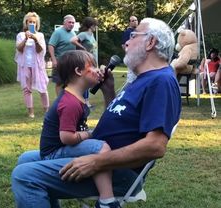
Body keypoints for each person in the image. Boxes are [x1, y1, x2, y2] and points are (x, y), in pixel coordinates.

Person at [11, 17, 181, 208]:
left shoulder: (161, 81)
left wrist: (97, 162)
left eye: (133, 36)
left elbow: (155, 146)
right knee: (24, 159)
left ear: (150, 42)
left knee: (24, 176)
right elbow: (121, 118)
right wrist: (109, 90)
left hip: (115, 171)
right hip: (100, 157)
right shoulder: (142, 79)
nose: (126, 41)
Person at [40, 50, 115, 205]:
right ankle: (107, 200)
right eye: (93, 66)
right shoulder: (70, 103)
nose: (97, 70)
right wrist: (88, 134)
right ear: (79, 71)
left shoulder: (75, 96)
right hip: (53, 153)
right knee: (101, 148)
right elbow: (66, 137)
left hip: (59, 148)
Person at [15, 12, 49, 118]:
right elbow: (19, 49)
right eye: (30, 22)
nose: (32, 24)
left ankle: (47, 110)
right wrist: (26, 39)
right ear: (26, 22)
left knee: (43, 87)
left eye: (34, 22)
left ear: (36, 23)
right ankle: (31, 111)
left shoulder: (40, 35)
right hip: (25, 65)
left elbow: (40, 51)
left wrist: (35, 40)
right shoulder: (20, 35)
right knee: (27, 89)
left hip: (37, 65)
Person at [71, 17, 98, 108]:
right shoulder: (83, 34)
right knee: (85, 79)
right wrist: (82, 48)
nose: (95, 27)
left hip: (91, 60)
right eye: (94, 25)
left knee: (89, 80)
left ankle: (86, 101)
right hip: (84, 60)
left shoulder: (91, 35)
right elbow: (72, 40)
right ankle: (84, 101)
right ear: (90, 25)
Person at [48, 14, 76, 96]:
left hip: (71, 62)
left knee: (70, 83)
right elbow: (51, 45)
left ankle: (67, 101)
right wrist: (54, 60)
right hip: (60, 62)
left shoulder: (73, 33)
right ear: (64, 23)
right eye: (69, 22)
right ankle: (59, 102)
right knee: (59, 83)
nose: (71, 24)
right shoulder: (58, 32)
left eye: (73, 23)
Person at [121, 16, 139, 85]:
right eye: (133, 21)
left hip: (139, 57)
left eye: (136, 20)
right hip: (132, 58)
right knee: (132, 77)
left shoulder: (139, 32)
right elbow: (123, 45)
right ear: (129, 23)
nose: (135, 22)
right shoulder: (128, 32)